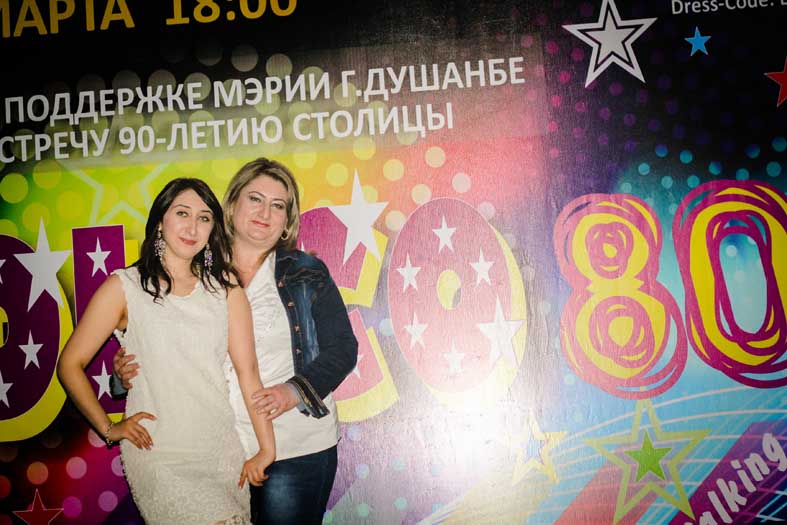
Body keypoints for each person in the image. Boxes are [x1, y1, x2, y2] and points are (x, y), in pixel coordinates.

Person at [113, 159, 358, 524]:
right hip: (211, 450)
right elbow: (154, 339)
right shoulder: (189, 265)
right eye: (255, 199)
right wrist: (123, 375)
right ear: (231, 205)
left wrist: (293, 392)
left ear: (288, 220)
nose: (265, 213)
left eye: (278, 205)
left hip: (293, 445)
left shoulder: (305, 271)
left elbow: (343, 349)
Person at [58, 178, 276, 525]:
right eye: (182, 213)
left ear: (213, 229)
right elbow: (70, 363)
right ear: (161, 221)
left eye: (204, 218)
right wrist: (108, 429)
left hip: (220, 451)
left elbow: (248, 373)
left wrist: (267, 447)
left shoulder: (226, 290)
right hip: (159, 454)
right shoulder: (125, 287)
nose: (193, 227)